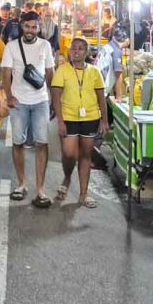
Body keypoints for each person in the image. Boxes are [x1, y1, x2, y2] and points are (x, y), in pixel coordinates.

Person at [1, 11, 55, 207]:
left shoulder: (45, 45)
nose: (30, 30)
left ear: (39, 28)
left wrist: (53, 98)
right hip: (19, 102)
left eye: (34, 27)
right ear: (21, 26)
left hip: (40, 101)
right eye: (27, 26)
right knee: (18, 142)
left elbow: (50, 72)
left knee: (42, 143)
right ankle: (21, 184)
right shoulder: (11, 46)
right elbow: (6, 72)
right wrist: (9, 96)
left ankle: (40, 189)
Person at [51, 37, 109, 208]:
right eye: (73, 48)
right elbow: (56, 97)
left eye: (80, 48)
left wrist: (104, 120)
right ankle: (67, 177)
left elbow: (101, 97)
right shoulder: (62, 70)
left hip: (90, 117)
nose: (76, 51)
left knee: (85, 155)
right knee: (69, 154)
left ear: (87, 52)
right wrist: (60, 121)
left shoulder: (94, 72)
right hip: (68, 117)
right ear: (69, 51)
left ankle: (84, 194)